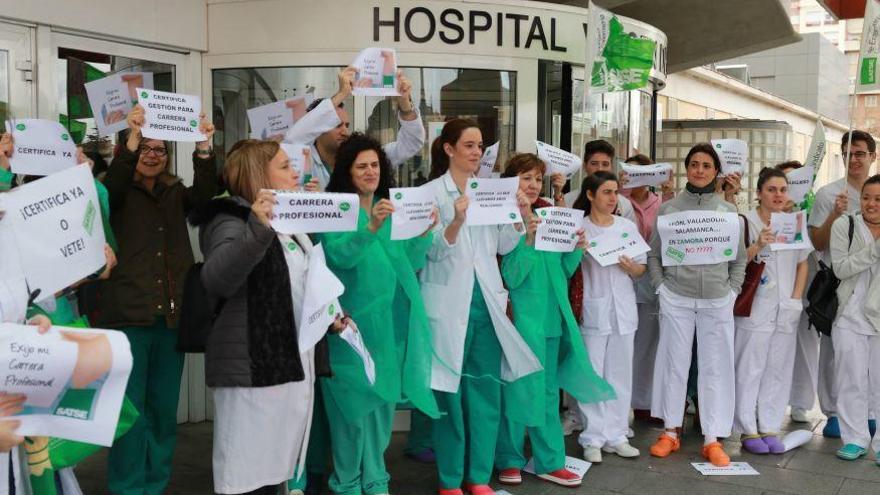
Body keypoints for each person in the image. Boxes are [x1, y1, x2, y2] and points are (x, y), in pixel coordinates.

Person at [191, 139, 339, 494]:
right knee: (246, 472)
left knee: (275, 471)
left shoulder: (290, 223)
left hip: (288, 365)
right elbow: (217, 278)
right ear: (259, 175)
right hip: (253, 369)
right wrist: (257, 227)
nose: (295, 173)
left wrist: (332, 315)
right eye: (285, 166)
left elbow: (303, 283)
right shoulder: (229, 219)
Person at [100, 105, 217, 494]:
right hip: (127, 319)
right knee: (129, 414)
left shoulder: (172, 192)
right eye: (145, 148)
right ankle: (127, 487)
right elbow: (113, 186)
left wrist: (203, 148)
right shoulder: (112, 191)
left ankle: (155, 485)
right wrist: (130, 142)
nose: (153, 155)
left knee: (163, 413)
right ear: (131, 150)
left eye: (160, 149)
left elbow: (204, 196)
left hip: (170, 320)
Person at [421, 119, 541, 495]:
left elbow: (503, 246)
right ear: (448, 149)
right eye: (469, 145)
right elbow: (428, 251)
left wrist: (519, 215)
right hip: (447, 306)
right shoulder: (429, 193)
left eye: (479, 146)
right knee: (450, 398)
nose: (476, 152)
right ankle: (450, 479)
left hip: (487, 307)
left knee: (487, 394)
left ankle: (477, 477)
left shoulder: (491, 192)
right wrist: (455, 220)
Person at [320, 133, 440, 495]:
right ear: (346, 172)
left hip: (386, 330)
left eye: (375, 165)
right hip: (348, 331)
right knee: (351, 415)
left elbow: (411, 264)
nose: (370, 171)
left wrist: (424, 232)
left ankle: (376, 481)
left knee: (381, 412)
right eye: (362, 166)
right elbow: (340, 256)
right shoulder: (337, 209)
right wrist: (369, 227)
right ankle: (346, 484)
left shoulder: (390, 211)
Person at [494, 154, 614, 488]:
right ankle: (509, 458)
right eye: (525, 178)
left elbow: (561, 272)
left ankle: (550, 460)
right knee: (517, 392)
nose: (532, 185)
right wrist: (529, 240)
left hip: (551, 322)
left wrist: (576, 248)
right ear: (510, 182)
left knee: (547, 395)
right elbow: (512, 276)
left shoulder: (550, 214)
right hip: (521, 322)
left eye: (536, 179)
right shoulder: (503, 216)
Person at [646, 143, 747, 467]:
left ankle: (712, 438)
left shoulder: (729, 212)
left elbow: (740, 259)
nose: (699, 170)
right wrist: (662, 287)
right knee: (674, 364)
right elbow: (654, 255)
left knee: (714, 367)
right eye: (694, 164)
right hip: (677, 297)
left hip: (717, 299)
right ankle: (670, 431)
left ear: (716, 171)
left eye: (706, 165)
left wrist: (731, 291)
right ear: (687, 168)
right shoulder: (670, 209)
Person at [733, 168, 811, 454]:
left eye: (782, 190)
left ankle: (769, 425)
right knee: (749, 368)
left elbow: (803, 261)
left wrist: (795, 298)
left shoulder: (793, 223)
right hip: (755, 306)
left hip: (785, 308)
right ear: (758, 193)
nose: (778, 195)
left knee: (777, 368)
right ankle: (746, 429)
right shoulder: (747, 222)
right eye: (771, 190)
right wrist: (758, 244)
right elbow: (736, 261)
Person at [572, 171, 646, 463]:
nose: (613, 198)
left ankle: (616, 434)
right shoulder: (579, 227)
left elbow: (641, 269)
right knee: (592, 373)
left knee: (619, 373)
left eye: (615, 192)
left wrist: (631, 268)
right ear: (590, 195)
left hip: (623, 310)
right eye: (606, 192)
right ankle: (592, 436)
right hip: (593, 308)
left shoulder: (627, 226)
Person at [808, 130, 875, 438]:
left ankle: (868, 412)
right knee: (835, 352)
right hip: (838, 283)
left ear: (872, 156)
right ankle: (833, 411)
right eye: (848, 153)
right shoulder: (828, 194)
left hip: (873, 290)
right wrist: (836, 213)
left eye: (860, 153)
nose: (854, 159)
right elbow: (817, 242)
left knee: (870, 358)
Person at [284, 67, 425, 190]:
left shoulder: (361, 158)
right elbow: (291, 140)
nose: (344, 131)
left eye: (347, 125)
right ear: (318, 127)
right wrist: (342, 94)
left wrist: (405, 105)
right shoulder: (302, 159)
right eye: (337, 125)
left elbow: (411, 144)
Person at [618, 154, 674, 424]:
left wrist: (669, 195)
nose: (634, 178)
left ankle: (642, 401)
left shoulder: (661, 203)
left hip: (649, 278)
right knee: (621, 343)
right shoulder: (615, 200)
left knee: (647, 343)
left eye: (641, 173)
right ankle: (619, 402)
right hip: (620, 276)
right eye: (631, 172)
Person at [830, 174, 880, 461]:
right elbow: (841, 269)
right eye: (866, 197)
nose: (870, 204)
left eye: (878, 199)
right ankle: (855, 439)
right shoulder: (844, 225)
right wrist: (874, 250)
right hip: (849, 315)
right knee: (851, 379)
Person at [559, 139, 636, 223]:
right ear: (585, 166)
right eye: (594, 163)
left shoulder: (624, 205)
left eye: (605, 164)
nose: (600, 169)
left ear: (612, 167)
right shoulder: (567, 200)